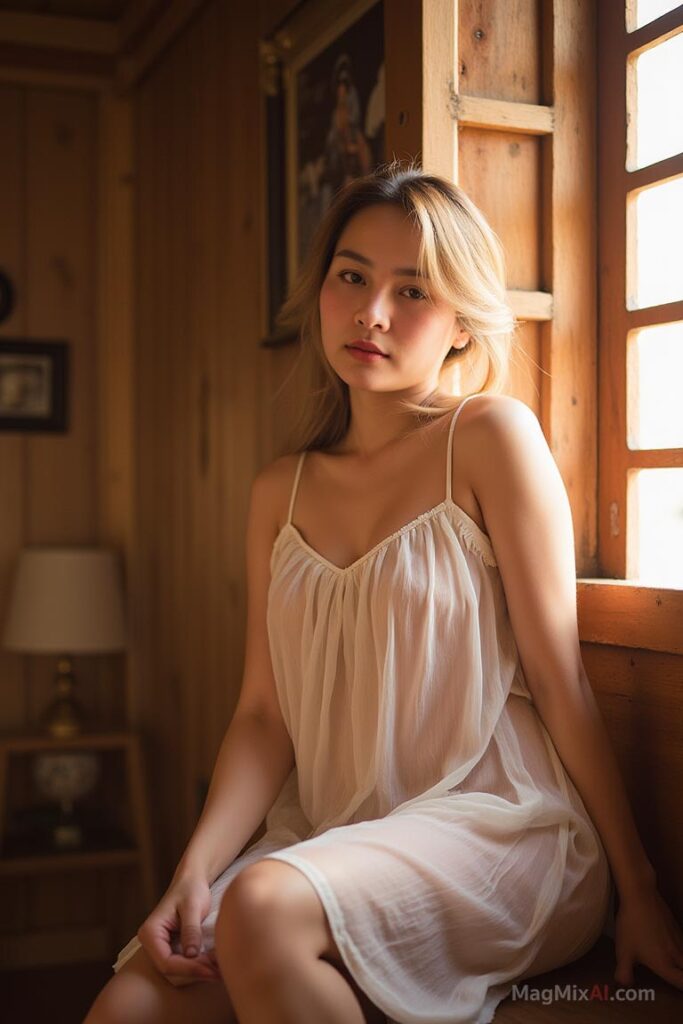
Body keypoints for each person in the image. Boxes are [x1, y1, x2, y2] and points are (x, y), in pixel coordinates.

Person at [84, 163, 683, 1024]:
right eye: (353, 277)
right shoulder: (277, 491)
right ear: (322, 289)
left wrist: (641, 891)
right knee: (126, 1009)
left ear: (461, 327)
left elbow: (561, 682)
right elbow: (263, 715)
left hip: (492, 833)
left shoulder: (486, 439)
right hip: (330, 841)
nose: (371, 313)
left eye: (413, 292)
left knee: (259, 910)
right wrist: (195, 869)